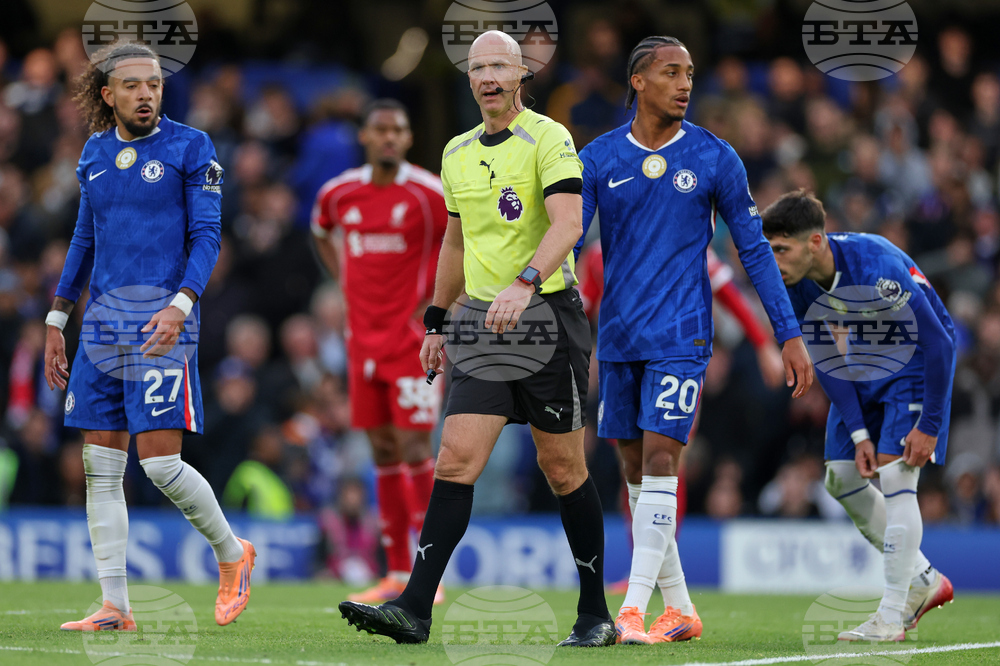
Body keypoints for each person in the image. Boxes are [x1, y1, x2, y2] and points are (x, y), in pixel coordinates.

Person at [338, 30, 615, 647]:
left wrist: (524, 282)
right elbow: (456, 241)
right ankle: (414, 608)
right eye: (478, 67)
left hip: (544, 316)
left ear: (522, 75)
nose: (489, 76)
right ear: (470, 80)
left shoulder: (550, 137)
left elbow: (570, 223)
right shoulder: (457, 152)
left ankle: (595, 614)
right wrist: (437, 319)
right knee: (455, 459)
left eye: (500, 66)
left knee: (563, 468)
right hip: (483, 323)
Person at [577, 35, 814, 644]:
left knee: (661, 461)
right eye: (671, 72)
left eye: (689, 73)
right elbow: (571, 242)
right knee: (633, 469)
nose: (685, 83)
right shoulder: (600, 158)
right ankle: (679, 608)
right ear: (637, 81)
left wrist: (783, 334)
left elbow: (753, 251)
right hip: (619, 337)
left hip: (682, 335)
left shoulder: (714, 156)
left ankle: (629, 610)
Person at [43, 42, 255, 631]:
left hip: (161, 322)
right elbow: (84, 239)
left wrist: (181, 305)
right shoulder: (93, 153)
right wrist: (58, 319)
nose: (146, 94)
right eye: (133, 86)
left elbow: (207, 237)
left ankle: (233, 555)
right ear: (108, 95)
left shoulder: (192, 146)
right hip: (102, 326)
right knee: (100, 467)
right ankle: (116, 605)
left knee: (160, 467)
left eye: (155, 84)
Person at [762, 190, 955, 642]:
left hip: (914, 363)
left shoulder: (877, 266)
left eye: (780, 250)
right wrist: (859, 430)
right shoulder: (796, 284)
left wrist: (929, 424)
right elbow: (826, 355)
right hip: (866, 363)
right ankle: (924, 580)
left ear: (814, 242)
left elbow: (940, 343)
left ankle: (890, 616)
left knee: (896, 477)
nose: (774, 261)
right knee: (840, 478)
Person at [311, 99, 447, 604]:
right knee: (383, 451)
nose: (389, 137)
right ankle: (394, 572)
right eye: (380, 129)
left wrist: (437, 310)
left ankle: (429, 575)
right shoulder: (339, 192)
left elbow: (458, 244)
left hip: (412, 342)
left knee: (415, 448)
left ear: (409, 138)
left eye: (398, 129)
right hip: (360, 342)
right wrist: (345, 280)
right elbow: (320, 228)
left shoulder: (429, 195)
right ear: (364, 136)